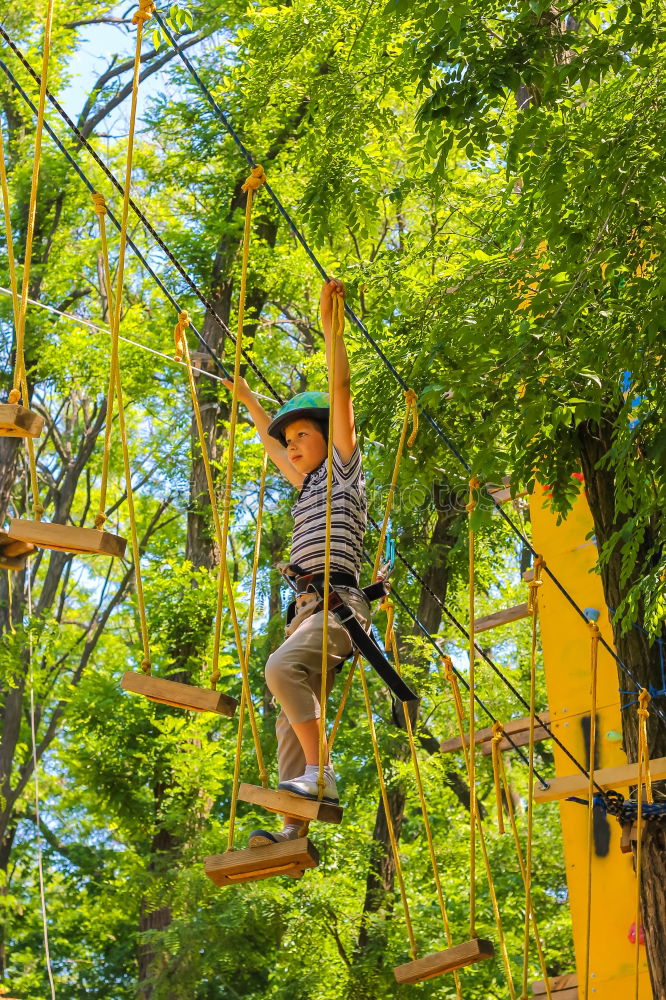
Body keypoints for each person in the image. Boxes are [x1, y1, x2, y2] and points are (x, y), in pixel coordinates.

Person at [222, 278, 370, 847]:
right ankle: (292, 824)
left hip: (338, 606)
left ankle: (321, 776)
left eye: (303, 435)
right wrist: (248, 402)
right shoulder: (306, 487)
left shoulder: (340, 471)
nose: (294, 446)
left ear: (327, 439)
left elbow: (341, 393)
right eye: (292, 442)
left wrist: (333, 331)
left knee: (280, 671)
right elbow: (268, 441)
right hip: (306, 609)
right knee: (288, 712)